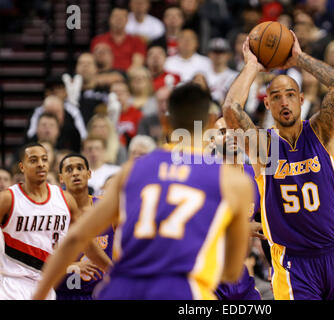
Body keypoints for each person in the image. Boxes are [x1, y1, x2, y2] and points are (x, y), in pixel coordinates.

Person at [33, 83, 252, 300]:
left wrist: (39, 295)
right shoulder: (231, 180)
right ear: (211, 123)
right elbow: (232, 271)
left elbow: (76, 238)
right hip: (181, 290)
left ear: (165, 122)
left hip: (122, 288)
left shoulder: (132, 169)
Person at [222, 32, 334, 300]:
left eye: (291, 95)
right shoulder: (263, 146)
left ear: (302, 99)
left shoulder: (322, 131)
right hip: (293, 262)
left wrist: (299, 58)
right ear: (267, 103)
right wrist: (252, 66)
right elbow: (231, 109)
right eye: (277, 96)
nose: (285, 102)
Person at [0, 143, 111, 300]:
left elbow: (83, 241)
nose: (40, 164)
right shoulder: (7, 199)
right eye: (33, 160)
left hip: (46, 286)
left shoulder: (64, 200)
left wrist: (113, 270)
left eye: (44, 159)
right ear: (22, 167)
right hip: (11, 286)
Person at [212, 117, 262, 301]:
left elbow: (267, 224)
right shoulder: (204, 176)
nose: (230, 136)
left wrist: (275, 263)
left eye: (235, 131)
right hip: (206, 272)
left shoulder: (256, 176)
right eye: (223, 132)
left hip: (238, 274)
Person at [55, 154, 115, 300]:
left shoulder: (107, 208)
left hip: (101, 293)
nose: (75, 173)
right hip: (62, 294)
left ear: (89, 174)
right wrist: (71, 266)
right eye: (69, 169)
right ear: (61, 178)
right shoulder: (52, 211)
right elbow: (39, 262)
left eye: (80, 168)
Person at [90, 7, 146, 71]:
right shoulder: (98, 40)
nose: (119, 19)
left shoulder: (137, 41)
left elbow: (137, 65)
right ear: (109, 19)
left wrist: (123, 77)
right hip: (104, 76)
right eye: (116, 16)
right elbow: (94, 64)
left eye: (122, 17)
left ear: (127, 20)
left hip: (128, 78)